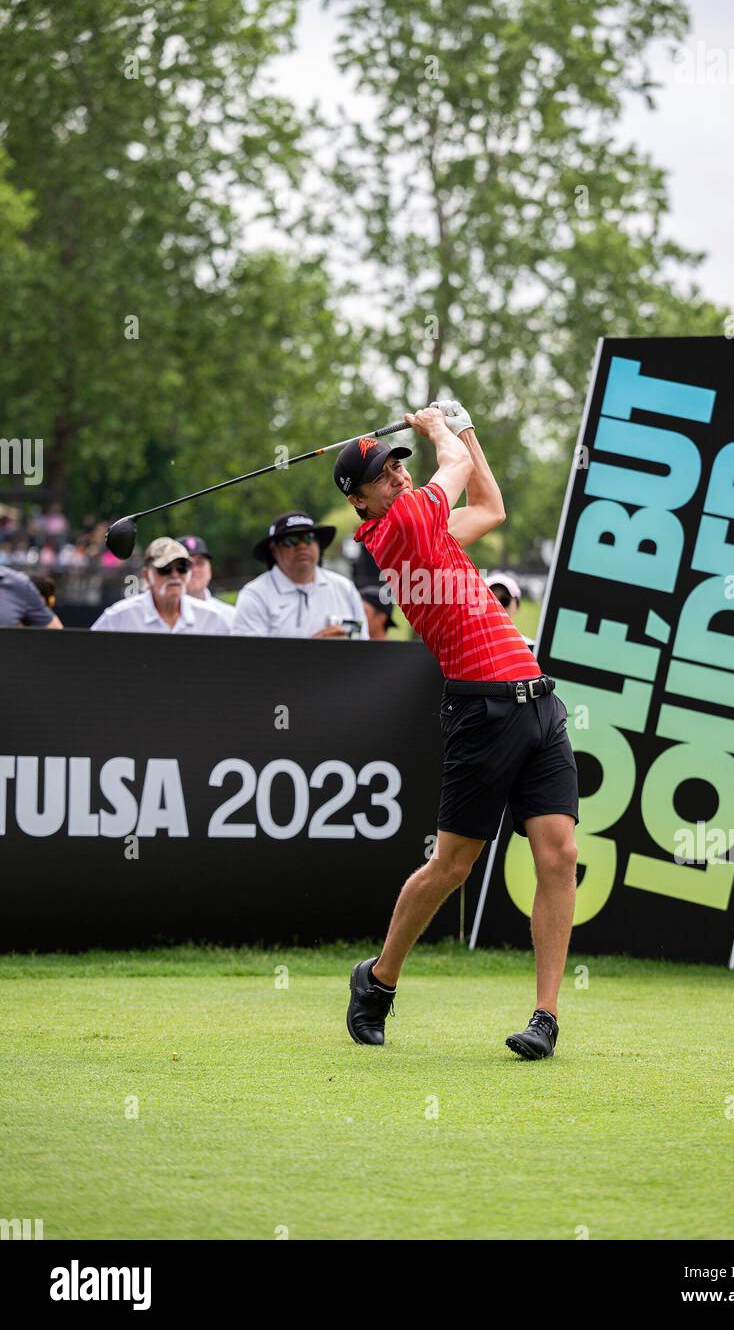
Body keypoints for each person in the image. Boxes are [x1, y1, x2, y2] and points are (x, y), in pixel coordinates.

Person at [335, 402, 579, 1060]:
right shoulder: (403, 526)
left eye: (398, 467)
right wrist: (441, 427)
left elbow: (491, 505)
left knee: (557, 857)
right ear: (360, 501)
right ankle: (378, 980)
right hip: (482, 710)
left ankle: (545, 1017)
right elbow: (459, 467)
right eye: (384, 475)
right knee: (452, 866)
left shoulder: (427, 530)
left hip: (537, 702)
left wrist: (465, 427)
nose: (399, 476)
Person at [232, 512, 368, 639]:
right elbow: (248, 658)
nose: (302, 546)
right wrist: (315, 650)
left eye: (309, 538)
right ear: (274, 549)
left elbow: (363, 645)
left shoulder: (344, 588)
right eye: (292, 539)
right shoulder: (255, 595)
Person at [90, 538, 232, 634]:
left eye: (182, 567)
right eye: (165, 568)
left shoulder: (212, 618)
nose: (175, 575)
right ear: (146, 575)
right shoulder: (119, 617)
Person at [175, 535, 236, 627]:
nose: (194, 570)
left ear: (210, 569)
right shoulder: (163, 616)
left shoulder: (229, 616)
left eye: (200, 563)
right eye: (186, 564)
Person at [486, 569, 534, 647]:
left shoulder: (530, 649)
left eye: (504, 601)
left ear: (517, 605)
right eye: (489, 600)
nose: (497, 607)